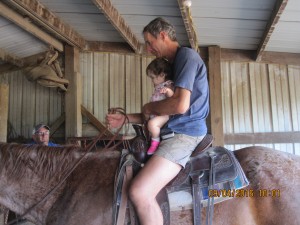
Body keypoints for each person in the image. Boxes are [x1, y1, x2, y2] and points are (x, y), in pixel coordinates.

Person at [106, 17, 209, 225]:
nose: (148, 48)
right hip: (173, 131)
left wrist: (148, 107)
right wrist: (126, 118)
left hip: (185, 134)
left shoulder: (186, 57)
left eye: (149, 42)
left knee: (139, 192)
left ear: (162, 35)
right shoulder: (175, 64)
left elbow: (179, 106)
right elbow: (163, 114)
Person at [146, 57, 174, 155]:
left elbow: (172, 98)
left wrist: (168, 91)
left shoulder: (168, 84)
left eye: (153, 77)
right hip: (158, 113)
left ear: (162, 75)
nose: (152, 81)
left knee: (151, 124)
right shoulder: (159, 86)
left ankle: (155, 143)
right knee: (149, 125)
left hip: (165, 115)